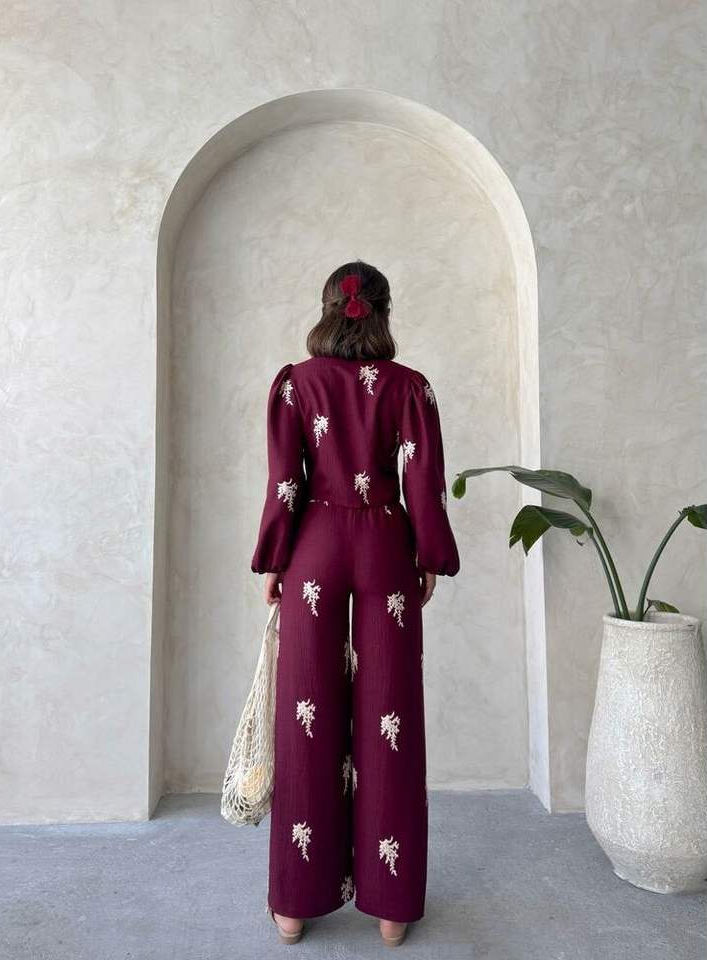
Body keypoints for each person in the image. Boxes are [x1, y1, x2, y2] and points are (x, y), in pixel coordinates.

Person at [251, 260, 460, 947]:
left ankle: (294, 904)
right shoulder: (410, 387)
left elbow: (284, 479)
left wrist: (275, 559)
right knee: (389, 714)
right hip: (383, 546)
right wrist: (428, 556)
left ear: (327, 309)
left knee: (305, 716)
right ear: (384, 311)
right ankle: (392, 909)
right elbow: (422, 481)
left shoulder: (295, 383)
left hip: (315, 544)